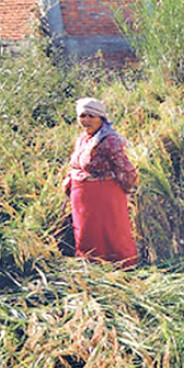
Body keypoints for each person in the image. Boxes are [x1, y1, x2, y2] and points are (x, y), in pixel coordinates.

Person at [62, 98, 138, 267]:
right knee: (86, 233)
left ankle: (121, 268)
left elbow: (127, 170)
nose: (86, 120)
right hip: (82, 198)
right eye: (82, 116)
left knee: (111, 232)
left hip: (104, 196)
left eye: (91, 116)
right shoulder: (83, 138)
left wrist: (122, 191)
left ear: (101, 118)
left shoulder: (109, 140)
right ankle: (91, 269)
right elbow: (76, 164)